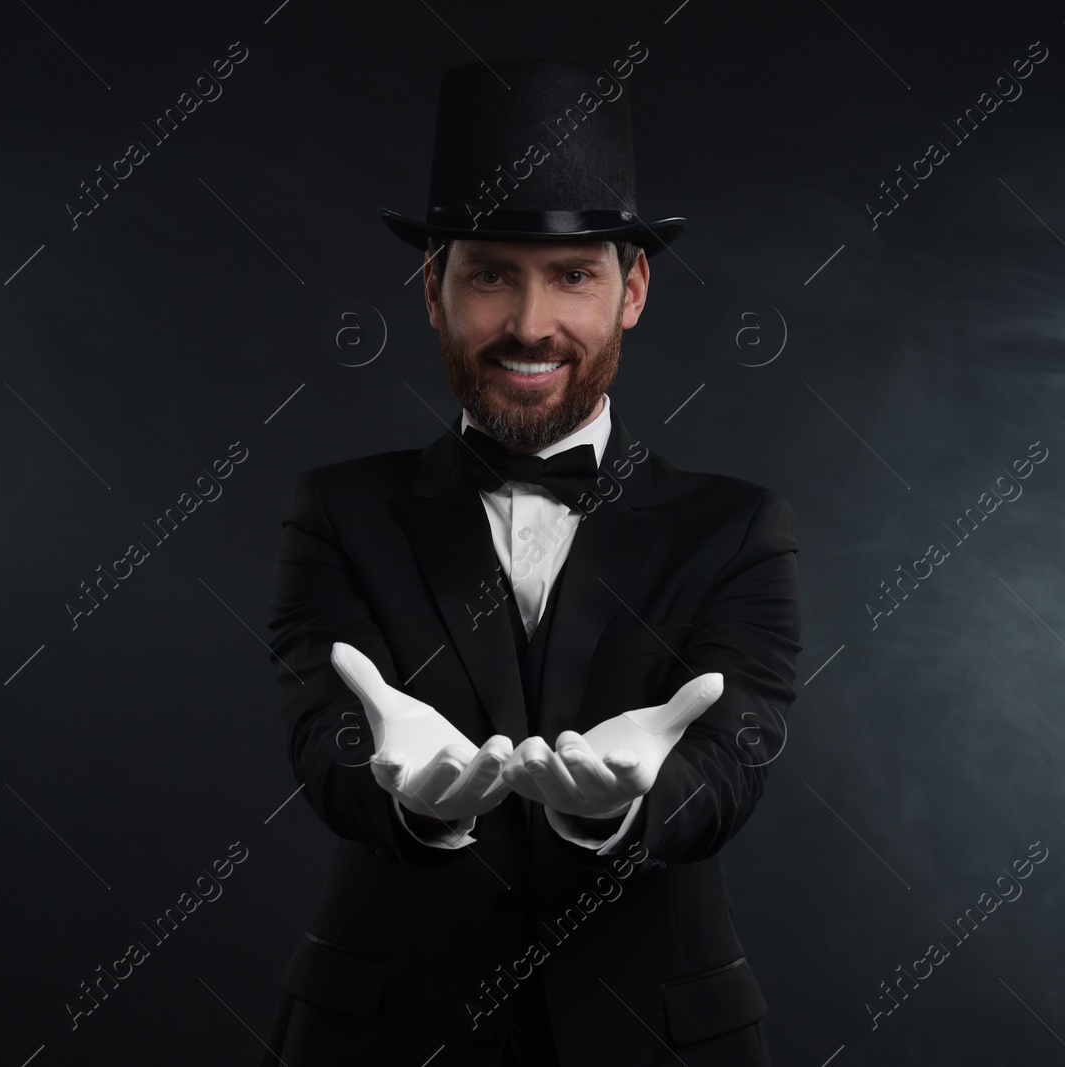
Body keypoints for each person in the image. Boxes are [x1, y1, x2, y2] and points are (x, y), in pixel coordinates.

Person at [258, 58, 801, 1067]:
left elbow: (736, 752)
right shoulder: (336, 510)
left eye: (572, 275)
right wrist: (408, 800)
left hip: (656, 1037)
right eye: (491, 274)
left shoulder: (736, 526)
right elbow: (325, 738)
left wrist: (637, 797)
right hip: (383, 1035)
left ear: (632, 288)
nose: (529, 323)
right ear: (434, 288)